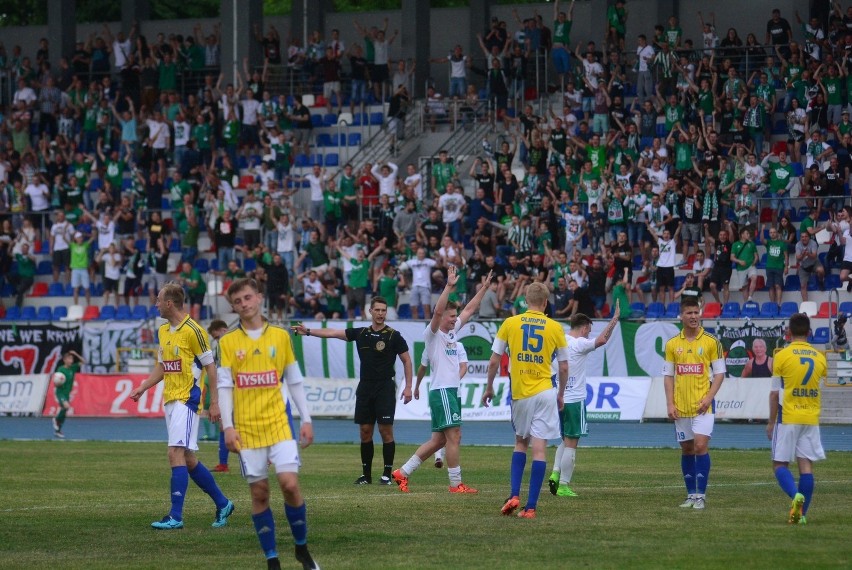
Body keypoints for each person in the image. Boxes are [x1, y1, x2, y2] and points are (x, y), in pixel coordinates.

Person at [218, 279, 319, 570]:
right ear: (233, 307)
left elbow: (294, 380)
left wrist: (307, 419)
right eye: (238, 302)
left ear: (260, 298)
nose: (244, 304)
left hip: (279, 425)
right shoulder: (227, 342)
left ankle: (301, 549)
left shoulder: (280, 336)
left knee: (289, 484)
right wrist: (228, 426)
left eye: (248, 297)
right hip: (247, 430)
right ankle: (272, 559)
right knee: (259, 493)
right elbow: (224, 387)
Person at [129, 283, 234, 530]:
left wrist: (216, 403)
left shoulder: (194, 330)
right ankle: (223, 503)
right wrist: (144, 386)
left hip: (188, 398)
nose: (155, 304)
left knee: (174, 452)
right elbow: (163, 366)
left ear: (169, 303)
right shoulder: (164, 331)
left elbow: (210, 366)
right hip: (171, 398)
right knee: (187, 458)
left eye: (158, 300)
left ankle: (175, 516)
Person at [291, 297, 413, 485]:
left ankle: (387, 474)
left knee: (385, 431)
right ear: (370, 312)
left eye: (383, 310)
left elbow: (407, 361)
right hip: (365, 387)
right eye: (377, 310)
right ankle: (366, 475)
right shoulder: (361, 333)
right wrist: (307, 331)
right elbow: (332, 332)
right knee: (365, 431)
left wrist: (408, 387)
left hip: (385, 387)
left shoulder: (393, 336)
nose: (380, 313)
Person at [392, 267, 493, 494]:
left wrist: (484, 288)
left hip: (448, 392)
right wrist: (448, 286)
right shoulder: (433, 332)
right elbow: (437, 313)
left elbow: (469, 309)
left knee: (438, 441)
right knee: (454, 436)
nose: (455, 319)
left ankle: (402, 473)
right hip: (443, 392)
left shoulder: (451, 333)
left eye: (454, 316)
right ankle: (456, 484)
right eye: (451, 316)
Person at [482, 282, 570, 519]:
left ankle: (513, 495)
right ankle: (530, 508)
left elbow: (493, 361)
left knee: (521, 443)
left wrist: (489, 387)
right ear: (545, 303)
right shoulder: (555, 327)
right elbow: (563, 366)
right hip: (545, 391)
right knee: (539, 450)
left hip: (521, 393)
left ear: (525, 300)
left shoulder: (510, 323)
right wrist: (561, 393)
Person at [548, 305, 620, 497]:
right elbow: (603, 340)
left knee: (564, 439)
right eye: (589, 329)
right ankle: (563, 485)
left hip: (558, 398)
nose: (589, 333)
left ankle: (555, 473)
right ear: (584, 327)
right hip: (574, 400)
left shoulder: (559, 341)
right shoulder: (579, 344)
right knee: (572, 442)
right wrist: (614, 321)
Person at [662, 296, 726, 510]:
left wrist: (708, 398)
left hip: (703, 406)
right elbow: (668, 376)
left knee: (700, 446)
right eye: (689, 313)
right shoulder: (672, 344)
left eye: (696, 312)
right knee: (687, 448)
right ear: (681, 316)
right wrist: (670, 404)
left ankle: (701, 495)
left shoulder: (711, 342)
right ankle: (690, 494)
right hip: (681, 406)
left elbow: (719, 374)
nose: (693, 316)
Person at [767, 312, 826, 525]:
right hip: (810, 417)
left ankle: (795, 497)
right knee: (806, 467)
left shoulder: (782, 356)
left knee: (779, 464)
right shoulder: (820, 357)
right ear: (809, 333)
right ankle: (800, 515)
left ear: (788, 332)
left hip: (788, 416)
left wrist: (771, 421)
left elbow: (775, 393)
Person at [415, 338, 469, 468]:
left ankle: (404, 472)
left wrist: (454, 380)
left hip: (454, 393)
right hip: (441, 391)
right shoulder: (431, 346)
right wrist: (416, 386)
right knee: (452, 434)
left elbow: (463, 367)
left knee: (443, 436)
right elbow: (422, 368)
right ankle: (454, 478)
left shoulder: (458, 346)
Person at [206, 319, 232, 473]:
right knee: (224, 425)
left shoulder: (236, 342)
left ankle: (264, 457)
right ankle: (223, 464)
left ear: (224, 330)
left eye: (217, 336)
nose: (217, 340)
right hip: (225, 389)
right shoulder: (219, 347)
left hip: (239, 390)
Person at [52, 350, 85, 438]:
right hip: (60, 392)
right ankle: (56, 419)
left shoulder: (73, 368)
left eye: (72, 359)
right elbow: (56, 381)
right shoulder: (61, 369)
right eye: (69, 359)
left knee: (65, 410)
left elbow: (83, 361)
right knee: (66, 407)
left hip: (67, 393)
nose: (71, 361)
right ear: (64, 360)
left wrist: (75, 353)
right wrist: (57, 382)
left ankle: (58, 430)